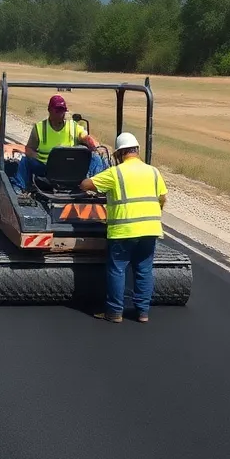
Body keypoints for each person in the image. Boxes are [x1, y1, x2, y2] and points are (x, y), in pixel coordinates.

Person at [79, 131, 167, 323]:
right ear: (137, 150)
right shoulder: (153, 172)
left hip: (123, 231)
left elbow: (86, 185)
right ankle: (143, 313)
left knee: (117, 269)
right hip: (150, 229)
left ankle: (114, 312)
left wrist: (87, 181)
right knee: (144, 270)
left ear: (118, 154)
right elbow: (162, 198)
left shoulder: (115, 173)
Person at [11, 94, 106, 192]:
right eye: (58, 111)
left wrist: (92, 144)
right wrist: (35, 156)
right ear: (49, 110)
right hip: (47, 168)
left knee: (95, 157)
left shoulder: (72, 126)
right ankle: (18, 190)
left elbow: (85, 137)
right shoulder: (39, 128)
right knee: (25, 161)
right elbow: (29, 149)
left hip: (71, 167)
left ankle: (97, 189)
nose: (61, 114)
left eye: (63, 111)